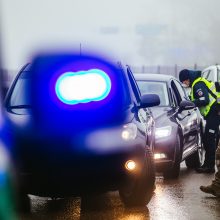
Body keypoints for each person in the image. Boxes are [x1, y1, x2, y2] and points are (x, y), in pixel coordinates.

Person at [179, 69, 220, 174]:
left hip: (215, 111)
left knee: (209, 139)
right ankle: (207, 165)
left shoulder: (198, 84)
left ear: (187, 79)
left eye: (184, 82)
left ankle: (209, 167)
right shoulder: (196, 83)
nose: (185, 84)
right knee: (208, 139)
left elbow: (205, 100)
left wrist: (192, 102)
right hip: (214, 112)